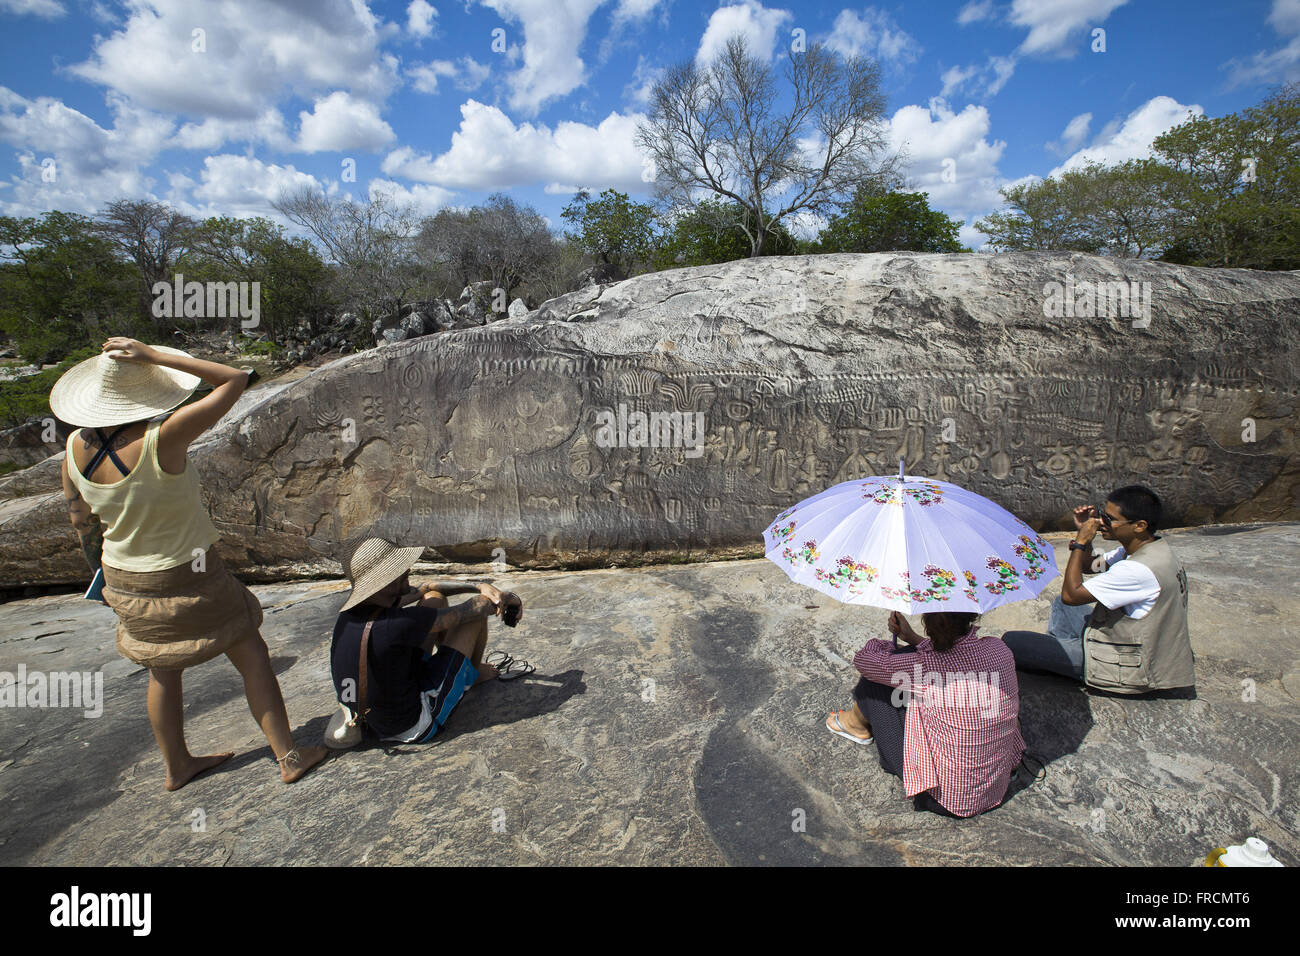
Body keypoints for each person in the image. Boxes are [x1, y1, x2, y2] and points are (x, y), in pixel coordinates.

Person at [54, 336, 328, 790]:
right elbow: (235, 379)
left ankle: (177, 765)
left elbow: (80, 521)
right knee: (251, 653)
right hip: (188, 570)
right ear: (144, 393)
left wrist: (98, 578)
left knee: (163, 668)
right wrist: (158, 356)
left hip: (124, 576)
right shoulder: (163, 439)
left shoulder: (72, 450)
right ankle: (290, 756)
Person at [328, 537, 529, 746]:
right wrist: (505, 597)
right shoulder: (397, 624)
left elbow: (426, 588)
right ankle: (471, 674)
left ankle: (457, 670)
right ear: (386, 582)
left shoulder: (355, 612)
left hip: (374, 716)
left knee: (434, 598)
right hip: (412, 724)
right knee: (473, 618)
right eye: (403, 574)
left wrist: (479, 585)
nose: (408, 576)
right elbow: (478, 607)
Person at [827, 611, 1024, 818]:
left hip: (944, 798)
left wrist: (888, 646)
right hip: (996, 786)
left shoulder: (924, 664)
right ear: (971, 616)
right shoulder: (999, 649)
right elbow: (953, 658)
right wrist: (913, 640)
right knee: (910, 673)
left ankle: (855, 724)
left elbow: (864, 661)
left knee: (874, 684)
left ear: (928, 624)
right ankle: (855, 722)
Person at [1001, 485, 1194, 696]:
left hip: (1126, 666)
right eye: (1102, 515)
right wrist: (1085, 537)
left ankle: (1064, 662)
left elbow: (1071, 595)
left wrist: (1080, 543)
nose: (1101, 522)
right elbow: (1091, 566)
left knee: (1012, 642)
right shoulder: (1149, 548)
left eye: (1109, 519)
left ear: (1139, 526)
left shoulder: (1138, 569)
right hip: (1134, 644)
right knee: (1059, 606)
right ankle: (1061, 657)